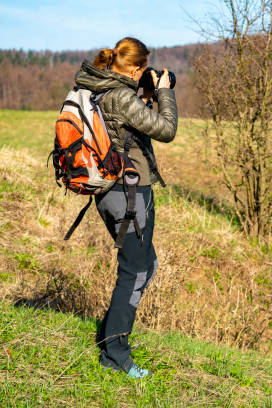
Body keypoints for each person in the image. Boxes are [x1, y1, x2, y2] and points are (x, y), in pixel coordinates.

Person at [73, 37, 178, 378]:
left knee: (145, 265)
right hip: (128, 193)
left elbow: (125, 127)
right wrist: (164, 92)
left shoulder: (99, 86)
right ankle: (115, 355)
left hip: (109, 191)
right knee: (136, 271)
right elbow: (166, 129)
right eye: (145, 69)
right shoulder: (120, 95)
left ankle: (110, 336)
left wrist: (143, 97)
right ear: (135, 69)